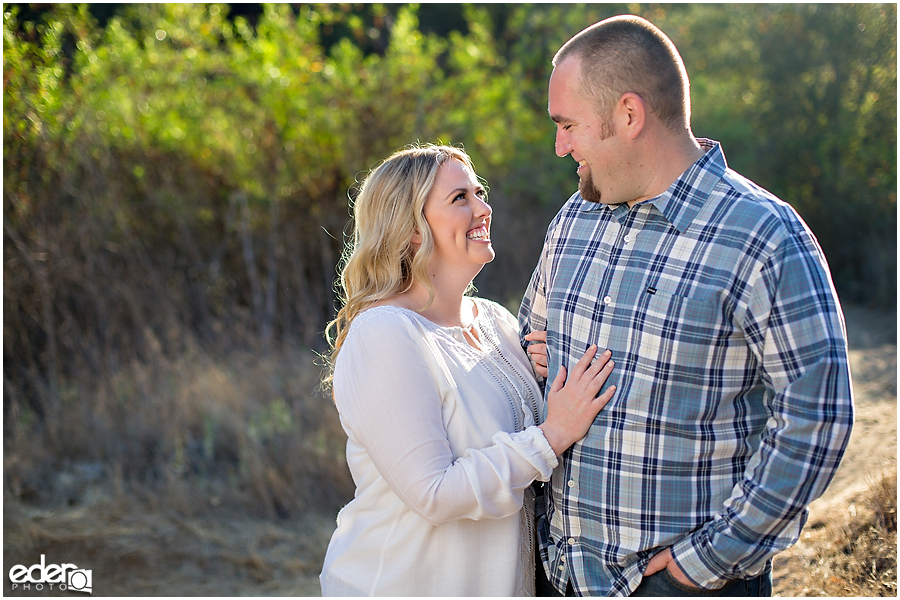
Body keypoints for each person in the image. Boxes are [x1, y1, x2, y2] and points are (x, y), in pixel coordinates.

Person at [518, 15, 854, 597]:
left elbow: (817, 415)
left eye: (568, 124)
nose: (560, 145)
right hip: (560, 578)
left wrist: (710, 559)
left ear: (628, 114)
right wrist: (533, 354)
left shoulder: (761, 235)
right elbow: (532, 344)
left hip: (681, 584)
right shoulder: (573, 222)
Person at [319, 144, 618, 596]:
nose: (483, 208)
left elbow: (509, 437)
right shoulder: (385, 333)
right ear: (412, 230)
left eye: (479, 193)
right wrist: (554, 432)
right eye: (460, 198)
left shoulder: (495, 321)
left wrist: (539, 379)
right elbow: (434, 493)